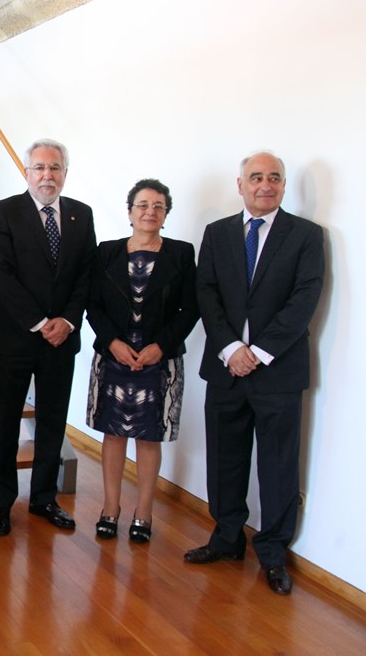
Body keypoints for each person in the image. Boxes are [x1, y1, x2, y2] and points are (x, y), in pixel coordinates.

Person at [185, 151, 324, 595]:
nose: (266, 185)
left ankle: (273, 553)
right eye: (257, 177)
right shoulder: (219, 232)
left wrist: (258, 352)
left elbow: (304, 299)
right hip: (226, 367)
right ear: (240, 184)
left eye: (275, 178)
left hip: (277, 371)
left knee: (279, 465)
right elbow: (206, 292)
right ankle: (227, 538)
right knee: (225, 458)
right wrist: (230, 348)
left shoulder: (305, 235)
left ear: (284, 186)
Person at [0, 138, 96, 536]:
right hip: (13, 341)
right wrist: (39, 322)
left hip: (61, 342)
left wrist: (66, 321)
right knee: (5, 425)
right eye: (40, 168)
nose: (47, 175)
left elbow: (86, 275)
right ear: (26, 172)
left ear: (65, 173)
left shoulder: (81, 216)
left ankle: (44, 498)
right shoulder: (4, 213)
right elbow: (2, 276)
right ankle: (0, 503)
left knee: (52, 423)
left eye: (55, 168)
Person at [85, 179, 199, 543]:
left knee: (150, 439)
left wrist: (160, 347)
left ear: (166, 214)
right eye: (143, 205)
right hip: (115, 357)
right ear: (130, 210)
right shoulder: (106, 252)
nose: (150, 212)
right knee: (114, 436)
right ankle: (110, 509)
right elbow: (93, 305)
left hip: (158, 362)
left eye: (158, 206)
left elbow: (190, 308)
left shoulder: (181, 254)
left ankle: (144, 514)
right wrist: (113, 342)